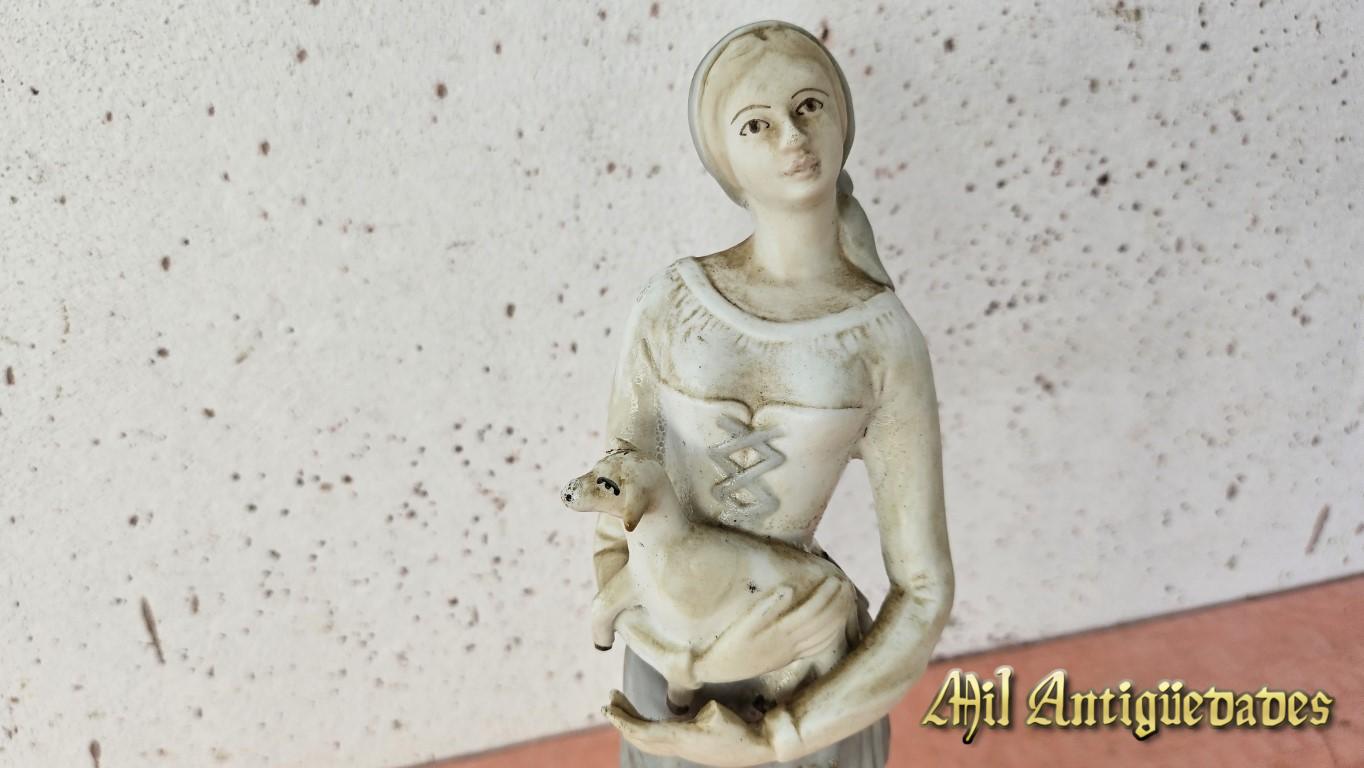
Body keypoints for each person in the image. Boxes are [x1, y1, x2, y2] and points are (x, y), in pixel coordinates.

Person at [593, 20, 955, 768]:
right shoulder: (670, 304)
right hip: (671, 679)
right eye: (756, 123)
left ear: (841, 121)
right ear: (724, 158)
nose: (792, 136)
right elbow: (611, 525)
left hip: (810, 685)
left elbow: (923, 590)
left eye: (809, 106)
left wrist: (779, 735)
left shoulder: (885, 339)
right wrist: (693, 661)